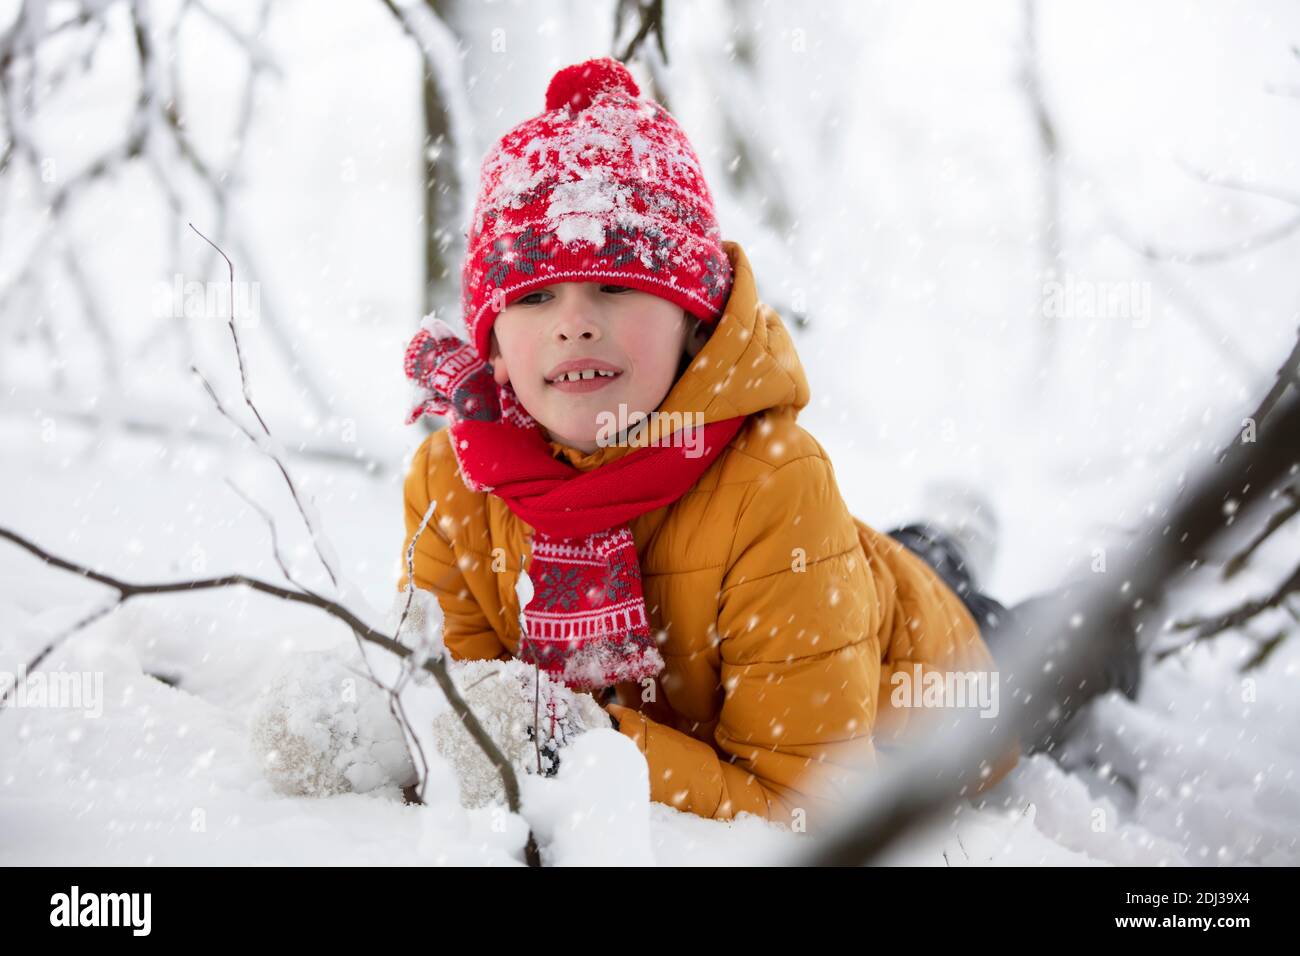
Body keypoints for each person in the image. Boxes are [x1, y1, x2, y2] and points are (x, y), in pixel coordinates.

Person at [398, 56, 1019, 831]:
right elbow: (458, 712)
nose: (573, 321)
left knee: (1032, 640)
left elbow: (803, 808)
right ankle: (944, 538)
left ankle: (966, 547)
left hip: (939, 671)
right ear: (491, 346)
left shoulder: (775, 484)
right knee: (894, 553)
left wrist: (577, 745)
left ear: (695, 319)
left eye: (615, 284)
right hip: (828, 584)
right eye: (533, 294)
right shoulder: (452, 483)